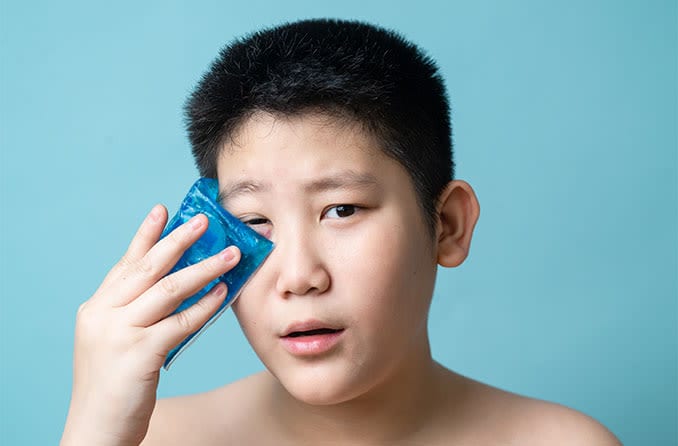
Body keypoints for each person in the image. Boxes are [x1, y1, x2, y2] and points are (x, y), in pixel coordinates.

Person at [60, 18, 621, 445]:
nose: (299, 277)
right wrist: (91, 427)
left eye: (342, 210)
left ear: (446, 225)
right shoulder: (150, 439)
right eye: (254, 222)